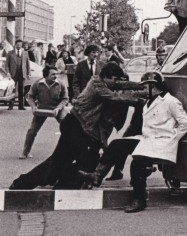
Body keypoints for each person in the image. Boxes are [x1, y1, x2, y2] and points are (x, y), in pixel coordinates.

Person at [8, 62, 145, 190]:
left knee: (59, 159)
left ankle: (26, 183)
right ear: (106, 77)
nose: (116, 82)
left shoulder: (105, 82)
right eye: (114, 79)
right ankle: (61, 184)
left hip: (76, 126)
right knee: (87, 159)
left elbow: (121, 85)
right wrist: (139, 97)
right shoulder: (97, 84)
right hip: (74, 125)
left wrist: (141, 85)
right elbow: (115, 96)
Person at [124, 71, 187, 213]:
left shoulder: (170, 101)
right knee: (116, 145)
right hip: (148, 141)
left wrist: (172, 138)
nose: (143, 90)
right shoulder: (149, 102)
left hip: (161, 144)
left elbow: (185, 124)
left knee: (137, 164)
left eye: (145, 87)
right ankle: (96, 176)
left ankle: (139, 199)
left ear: (154, 87)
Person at [22, 65, 69, 159]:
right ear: (46, 75)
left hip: (57, 108)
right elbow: (30, 96)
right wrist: (33, 107)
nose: (55, 76)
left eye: (56, 74)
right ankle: (25, 152)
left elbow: (65, 99)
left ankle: (70, 152)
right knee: (32, 131)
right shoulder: (37, 83)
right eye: (53, 74)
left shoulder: (61, 84)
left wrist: (58, 108)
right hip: (42, 108)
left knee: (68, 127)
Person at [5, 39, 30, 110]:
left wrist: (28, 73)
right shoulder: (10, 53)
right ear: (15, 45)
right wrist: (8, 73)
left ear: (22, 45)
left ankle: (21, 106)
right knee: (12, 90)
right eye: (18, 44)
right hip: (13, 74)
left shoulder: (25, 53)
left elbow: (28, 64)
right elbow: (6, 65)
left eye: (20, 44)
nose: (19, 45)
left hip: (22, 73)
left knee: (21, 90)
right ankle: (11, 106)